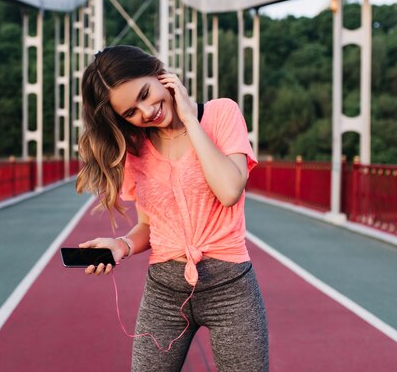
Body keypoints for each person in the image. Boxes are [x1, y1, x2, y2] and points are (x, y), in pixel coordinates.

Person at [75, 45, 269, 372]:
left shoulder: (222, 113)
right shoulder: (135, 150)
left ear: (158, 72)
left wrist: (190, 118)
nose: (146, 111)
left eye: (146, 93)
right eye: (130, 112)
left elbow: (229, 190)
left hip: (231, 289)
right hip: (164, 293)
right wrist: (121, 245)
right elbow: (149, 227)